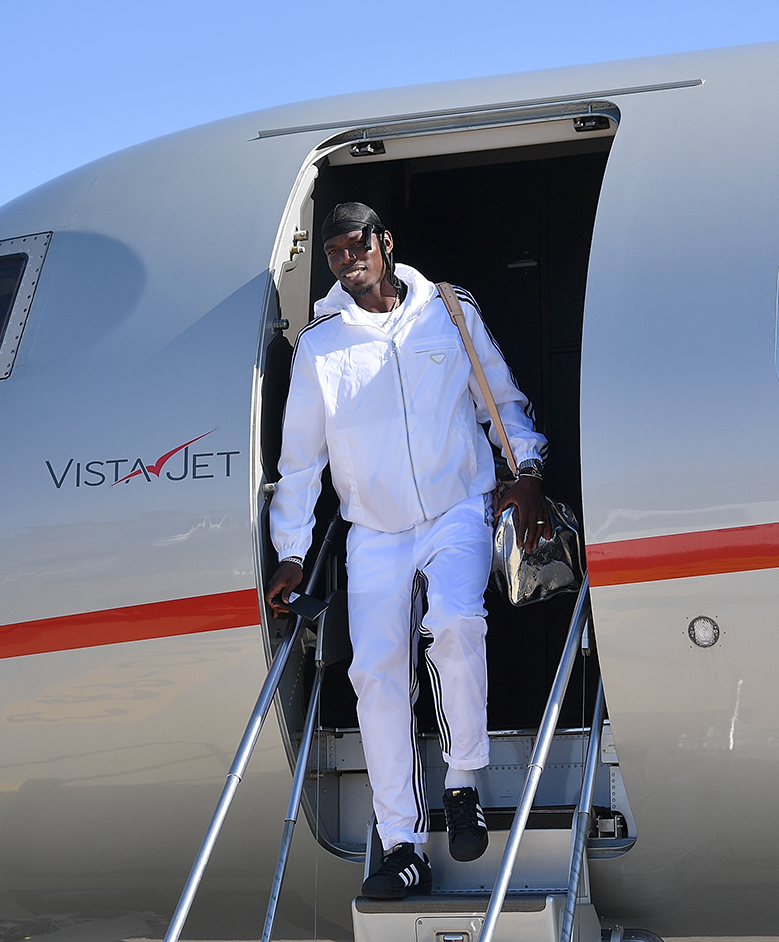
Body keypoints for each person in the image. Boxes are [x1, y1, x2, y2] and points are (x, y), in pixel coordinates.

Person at [266, 202, 549, 899]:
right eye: (332, 251)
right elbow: (299, 461)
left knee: (454, 623)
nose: (344, 258)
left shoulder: (447, 310)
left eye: (356, 244)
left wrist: (529, 472)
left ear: (384, 243)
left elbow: (501, 402)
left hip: (458, 507)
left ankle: (461, 781)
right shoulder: (321, 344)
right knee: (375, 673)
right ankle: (401, 844)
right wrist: (293, 550)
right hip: (375, 530)